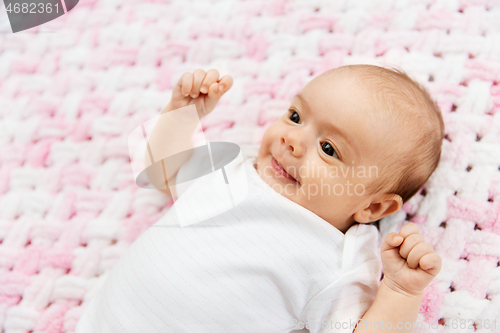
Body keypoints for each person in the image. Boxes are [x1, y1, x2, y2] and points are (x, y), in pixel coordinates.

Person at [76, 65, 444, 332]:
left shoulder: (338, 257)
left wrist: (400, 291)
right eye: (296, 116)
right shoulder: (234, 172)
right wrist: (181, 114)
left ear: (373, 207)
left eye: (329, 148)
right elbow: (163, 172)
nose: (292, 140)